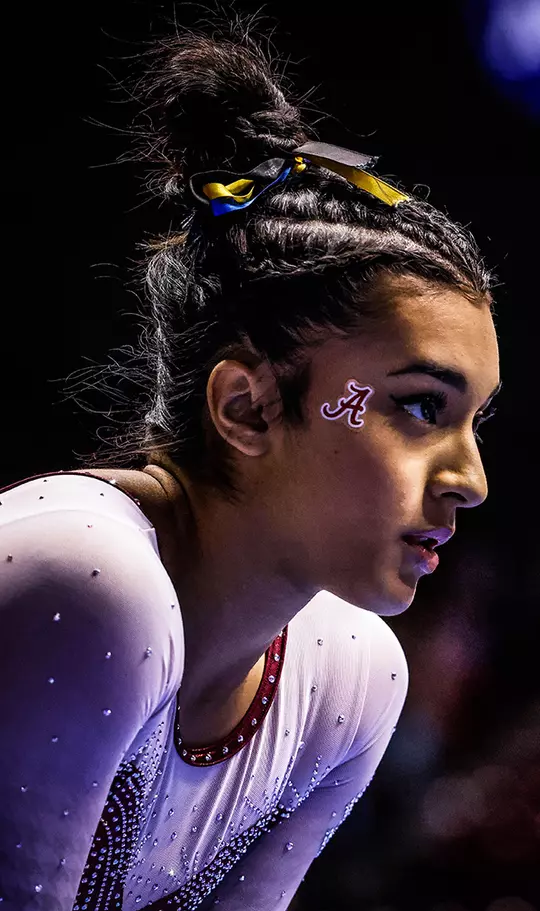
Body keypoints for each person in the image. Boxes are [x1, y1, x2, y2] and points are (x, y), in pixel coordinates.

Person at [0, 20, 500, 911]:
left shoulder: (351, 677)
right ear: (248, 407)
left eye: (475, 421)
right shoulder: (87, 579)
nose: (472, 478)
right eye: (422, 406)